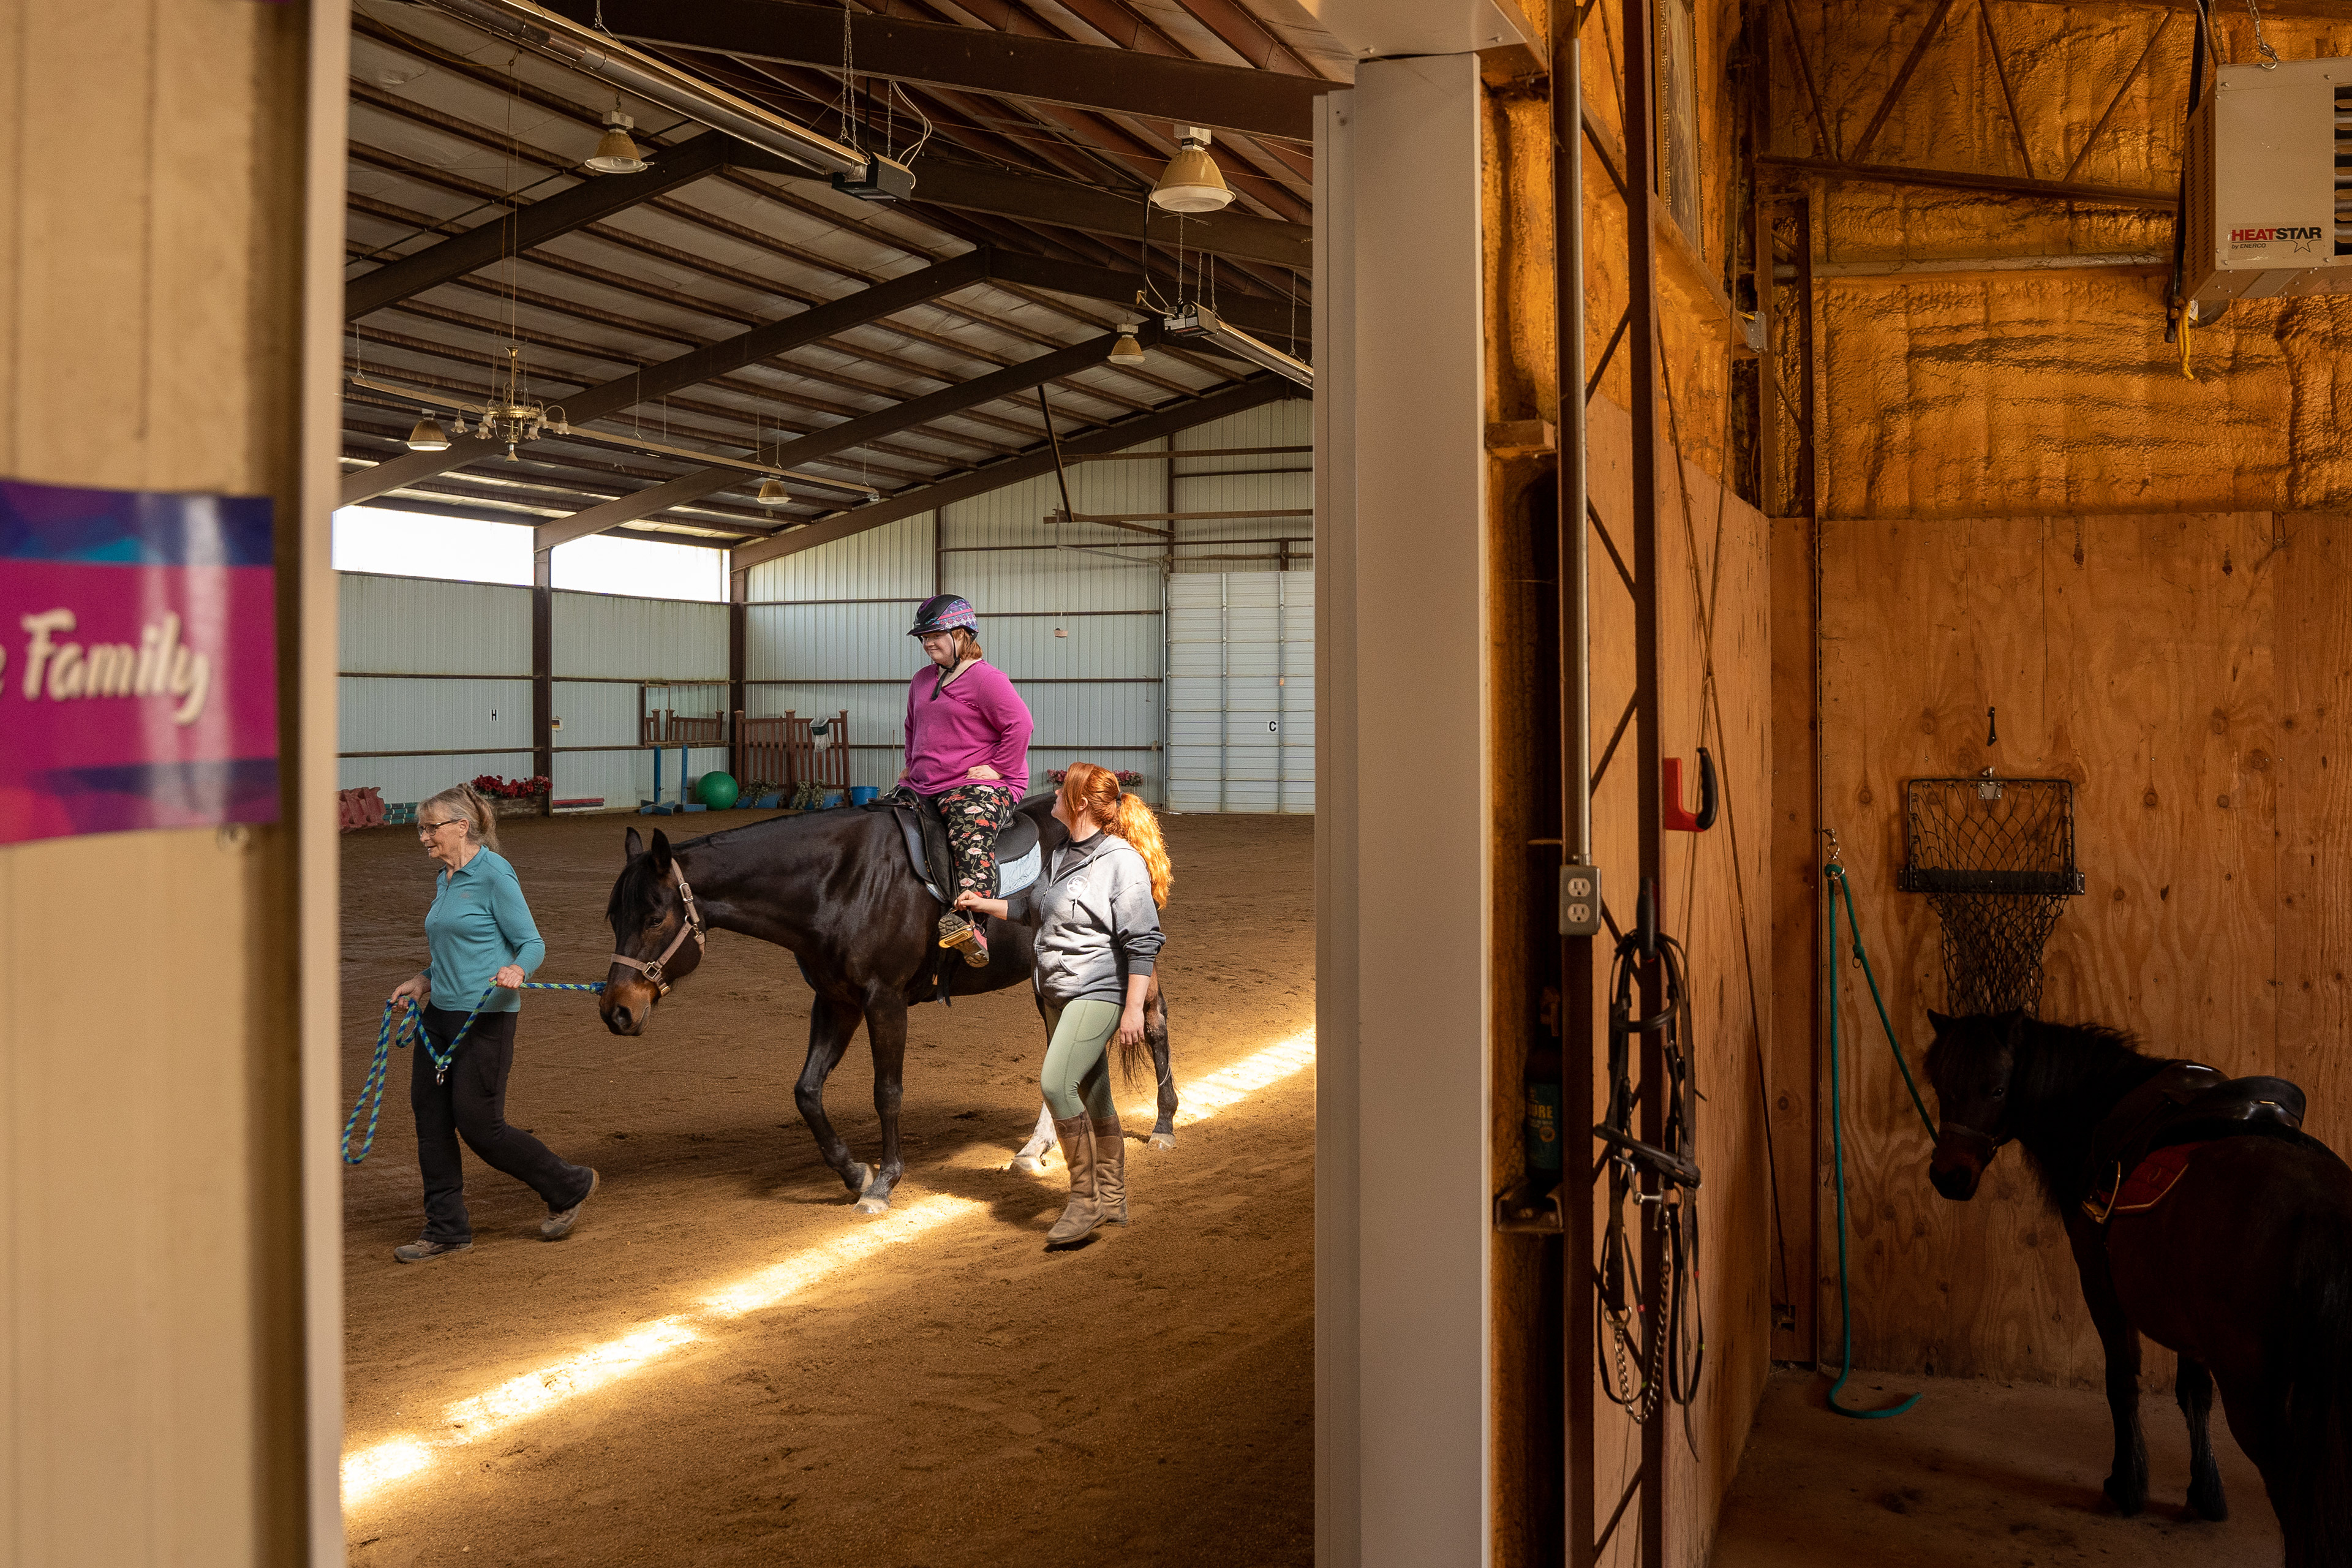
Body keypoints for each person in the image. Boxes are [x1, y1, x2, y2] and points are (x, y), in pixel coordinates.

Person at [956, 762, 1172, 1245]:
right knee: (1096, 1095)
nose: (1051, 794)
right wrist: (980, 903)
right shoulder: (1061, 855)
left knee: (1056, 1083)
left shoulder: (1121, 862)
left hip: (1097, 990)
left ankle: (1085, 1200)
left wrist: (1135, 1008)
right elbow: (1033, 907)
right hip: (1055, 988)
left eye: (1060, 790)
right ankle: (1113, 1198)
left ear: (1078, 804)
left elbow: (1143, 940)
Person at [385, 782, 598, 1263]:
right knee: (431, 1121)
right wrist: (422, 980)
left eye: (431, 827)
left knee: (481, 1125)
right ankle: (446, 1228)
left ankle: (569, 1184)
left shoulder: (494, 874)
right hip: (439, 1017)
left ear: (462, 827)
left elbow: (532, 943)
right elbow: (453, 950)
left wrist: (518, 969)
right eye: (421, 828)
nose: (423, 837)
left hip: (485, 1018)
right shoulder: (446, 878)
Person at [894, 594, 1034, 967]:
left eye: (936, 635)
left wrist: (1001, 768)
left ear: (962, 635)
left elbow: (1020, 725)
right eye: (923, 638)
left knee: (969, 829)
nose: (928, 644)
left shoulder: (987, 680)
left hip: (981, 785)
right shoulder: (922, 680)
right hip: (925, 781)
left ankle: (973, 925)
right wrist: (911, 764)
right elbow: (913, 727)